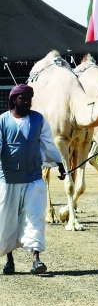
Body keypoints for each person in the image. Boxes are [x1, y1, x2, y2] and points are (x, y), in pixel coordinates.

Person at [1, 83, 65, 275]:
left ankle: (36, 259)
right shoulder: (3, 121)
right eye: (23, 98)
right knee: (7, 219)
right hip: (9, 180)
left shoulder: (38, 119)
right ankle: (9, 260)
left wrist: (59, 163)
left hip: (34, 178)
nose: (28, 101)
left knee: (35, 215)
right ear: (14, 100)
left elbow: (48, 144)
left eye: (30, 98)